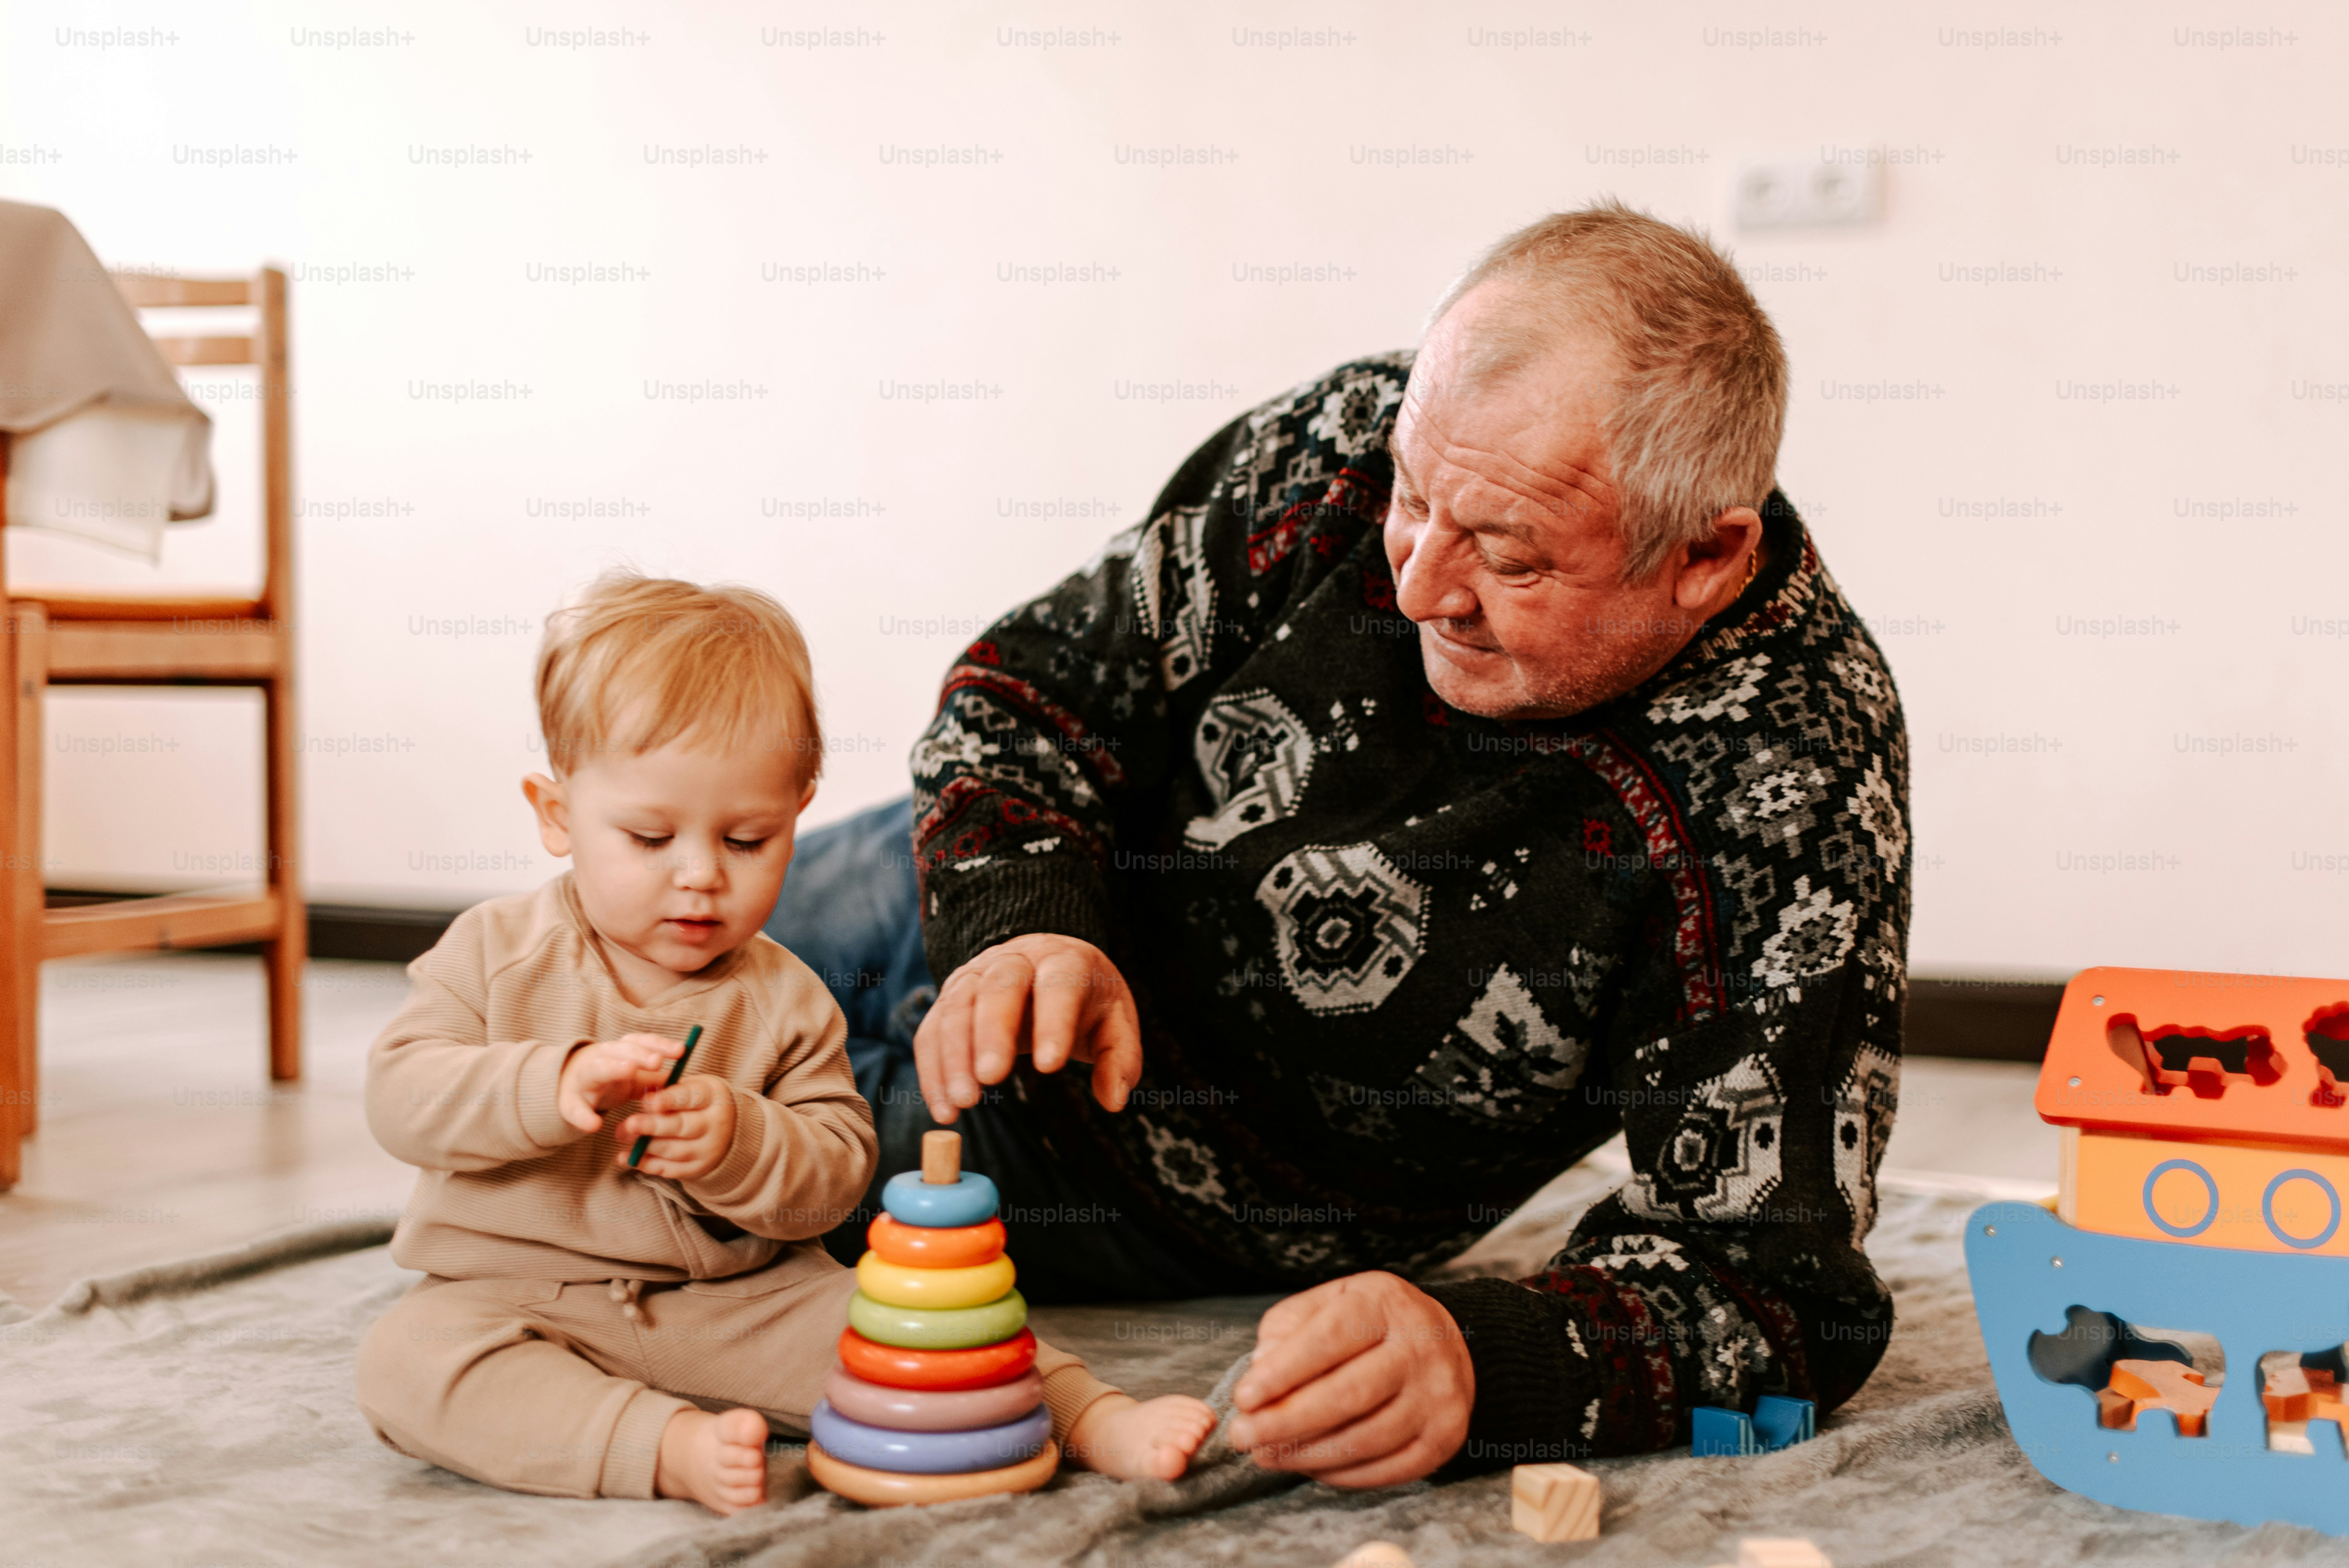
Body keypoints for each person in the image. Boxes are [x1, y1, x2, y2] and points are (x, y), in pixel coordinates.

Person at [774, 200, 1910, 1486]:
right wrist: (1024, 918)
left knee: (609, 1172)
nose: (1420, 582)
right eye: (1414, 500)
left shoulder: (1794, 768)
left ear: (1704, 557)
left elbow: (1769, 1287)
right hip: (974, 875)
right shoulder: (1353, 436)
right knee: (558, 980)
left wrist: (1486, 1358)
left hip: (1103, 1169)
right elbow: (1035, 685)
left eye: (1509, 556)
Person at [354, 573, 1215, 1514]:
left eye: (747, 838)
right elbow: (401, 1092)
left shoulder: (784, 996)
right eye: (649, 836)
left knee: (915, 1320)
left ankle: (1091, 1414)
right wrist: (546, 1080)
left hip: (736, 1300)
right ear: (557, 813)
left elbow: (838, 1168)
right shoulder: (493, 951)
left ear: (797, 813)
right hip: (517, 1295)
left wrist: (740, 1140)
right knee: (408, 1362)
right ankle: (665, 1445)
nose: (699, 876)